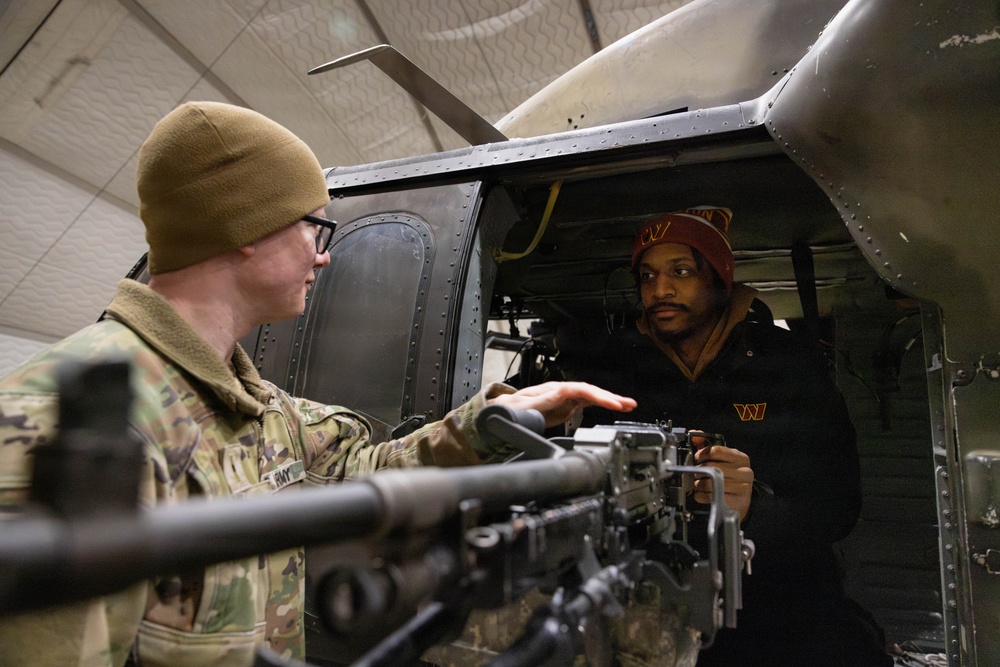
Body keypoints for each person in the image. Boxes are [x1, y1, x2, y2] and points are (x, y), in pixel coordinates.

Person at [0, 102, 636, 667]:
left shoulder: (252, 405)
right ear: (245, 228)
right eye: (314, 226)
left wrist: (499, 417)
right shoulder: (62, 425)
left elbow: (365, 469)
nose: (324, 254)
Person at [582, 206, 891, 666]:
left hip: (780, 606)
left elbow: (839, 507)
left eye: (680, 271)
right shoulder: (614, 371)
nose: (660, 290)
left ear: (719, 279)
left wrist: (753, 510)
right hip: (657, 604)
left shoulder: (788, 364)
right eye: (647, 276)